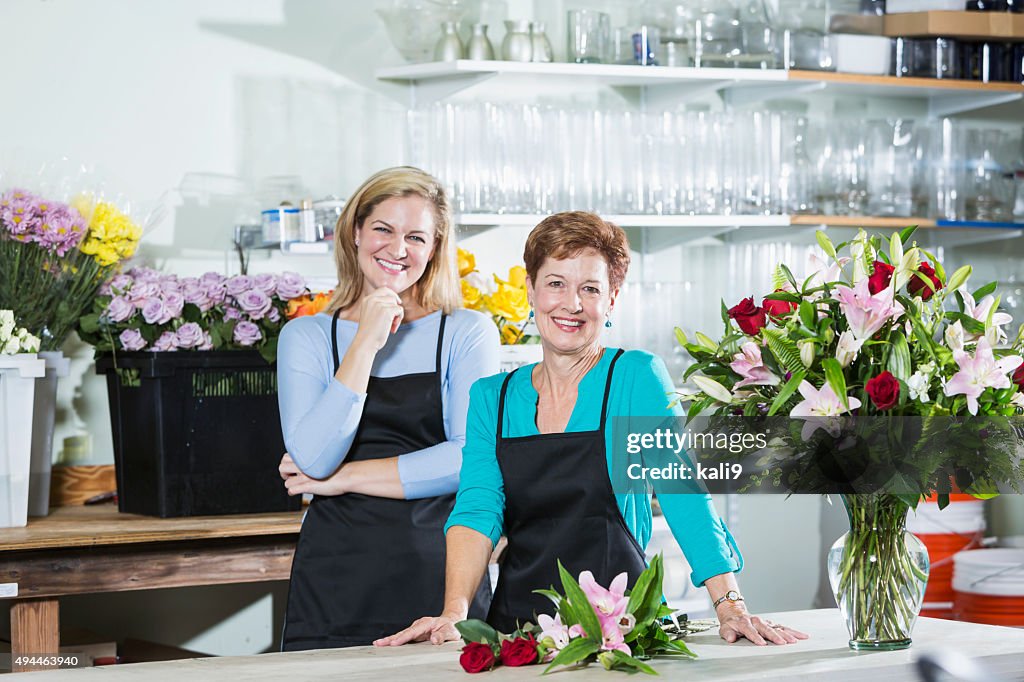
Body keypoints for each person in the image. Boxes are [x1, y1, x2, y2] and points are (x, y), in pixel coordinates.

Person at [375, 211, 809, 648]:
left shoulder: (636, 377)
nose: (572, 304)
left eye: (590, 289)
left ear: (612, 299)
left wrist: (729, 604)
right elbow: (477, 509)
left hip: (623, 635)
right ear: (531, 290)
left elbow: (683, 494)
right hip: (521, 635)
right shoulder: (494, 397)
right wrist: (455, 613)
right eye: (556, 283)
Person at [276, 166, 499, 650]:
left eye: (416, 236)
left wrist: (344, 478)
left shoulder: (465, 332)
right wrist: (366, 342)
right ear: (356, 231)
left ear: (435, 248)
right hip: (334, 576)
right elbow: (312, 458)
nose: (398, 249)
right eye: (383, 229)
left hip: (439, 575)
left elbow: (469, 461)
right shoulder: (307, 336)